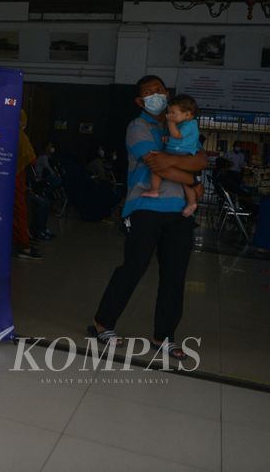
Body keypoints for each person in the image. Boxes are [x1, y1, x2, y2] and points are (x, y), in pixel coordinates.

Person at [89, 75, 208, 360]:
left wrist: (177, 163)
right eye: (147, 92)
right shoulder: (138, 126)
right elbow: (157, 164)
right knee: (134, 267)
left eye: (159, 90)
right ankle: (102, 323)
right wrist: (191, 179)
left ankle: (164, 336)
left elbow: (202, 160)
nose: (155, 94)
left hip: (179, 211)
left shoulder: (184, 124)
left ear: (167, 93)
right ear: (140, 101)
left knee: (175, 275)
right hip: (145, 207)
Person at [141, 95, 200, 218]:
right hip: (176, 152)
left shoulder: (190, 124)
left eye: (173, 113)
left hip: (181, 154)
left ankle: (156, 190)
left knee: (157, 166)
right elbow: (176, 138)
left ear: (188, 114)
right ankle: (191, 202)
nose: (169, 115)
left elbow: (178, 135)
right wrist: (167, 138)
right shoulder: (183, 123)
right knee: (184, 181)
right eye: (169, 112)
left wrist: (170, 123)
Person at [12, 109, 45, 260]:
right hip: (18, 179)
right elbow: (32, 160)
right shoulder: (21, 138)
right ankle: (23, 246)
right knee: (20, 211)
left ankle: (17, 241)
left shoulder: (5, 133)